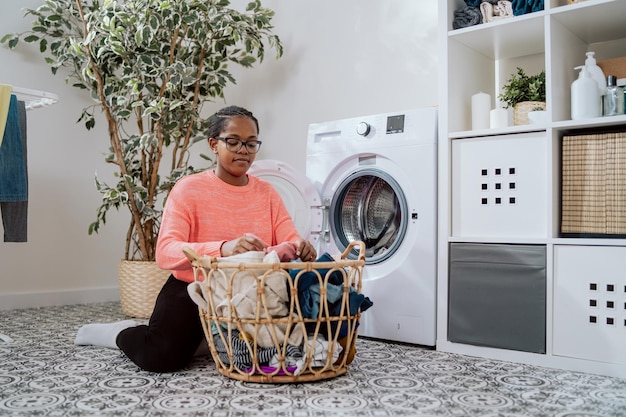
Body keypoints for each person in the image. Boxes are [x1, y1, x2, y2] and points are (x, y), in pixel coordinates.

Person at [75, 105, 317, 372]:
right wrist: (224, 248)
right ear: (214, 144)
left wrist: (300, 247)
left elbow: (289, 237)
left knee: (287, 346)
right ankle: (121, 333)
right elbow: (166, 252)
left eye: (250, 143)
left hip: (251, 292)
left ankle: (204, 340)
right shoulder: (189, 188)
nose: (243, 150)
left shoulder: (267, 193)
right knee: (160, 358)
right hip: (193, 286)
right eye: (233, 142)